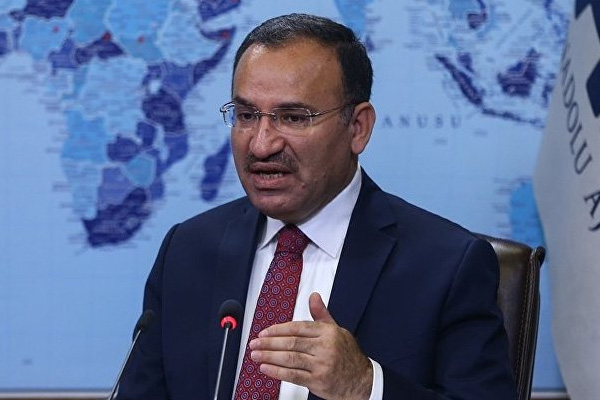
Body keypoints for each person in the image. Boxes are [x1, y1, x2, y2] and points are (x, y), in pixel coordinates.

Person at [117, 13, 517, 400]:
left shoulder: (445, 266)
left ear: (357, 128)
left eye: (293, 117)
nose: (261, 144)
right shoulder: (187, 250)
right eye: (247, 115)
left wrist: (365, 387)